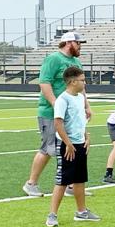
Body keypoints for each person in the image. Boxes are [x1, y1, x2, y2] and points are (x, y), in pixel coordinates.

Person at [24, 32, 93, 198]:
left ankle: (70, 184)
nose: (80, 46)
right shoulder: (53, 59)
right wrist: (55, 103)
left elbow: (81, 86)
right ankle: (31, 183)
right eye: (78, 43)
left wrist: (86, 105)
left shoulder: (75, 61)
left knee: (75, 146)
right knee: (48, 148)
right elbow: (44, 82)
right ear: (68, 43)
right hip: (51, 112)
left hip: (71, 113)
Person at [46, 67, 100, 227]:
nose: (85, 83)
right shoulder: (63, 99)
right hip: (66, 145)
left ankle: (81, 212)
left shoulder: (80, 98)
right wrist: (68, 143)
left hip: (79, 143)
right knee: (62, 180)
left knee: (80, 179)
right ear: (72, 81)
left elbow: (80, 120)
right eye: (82, 80)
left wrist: (86, 136)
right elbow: (58, 123)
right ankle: (52, 214)